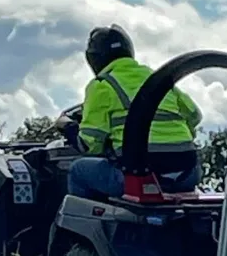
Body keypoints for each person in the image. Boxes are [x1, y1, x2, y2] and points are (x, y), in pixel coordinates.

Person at [63, 25, 203, 201]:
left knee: (78, 170)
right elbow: (194, 116)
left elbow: (90, 146)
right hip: (187, 174)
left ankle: (81, 228)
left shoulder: (101, 85)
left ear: (93, 58)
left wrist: (67, 127)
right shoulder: (158, 79)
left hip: (142, 179)